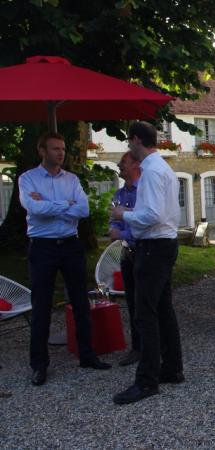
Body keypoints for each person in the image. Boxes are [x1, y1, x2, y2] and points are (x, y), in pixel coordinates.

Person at [19, 132, 112, 387]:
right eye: (54, 149)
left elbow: (83, 209)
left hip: (71, 245)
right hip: (42, 248)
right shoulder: (27, 179)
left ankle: (87, 355)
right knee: (41, 307)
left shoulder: (71, 179)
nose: (61, 153)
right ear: (41, 150)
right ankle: (39, 365)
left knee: (81, 302)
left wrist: (49, 204)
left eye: (62, 148)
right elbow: (34, 209)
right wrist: (64, 204)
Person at [111, 121, 182, 405]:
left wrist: (122, 215)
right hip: (164, 244)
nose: (128, 147)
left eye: (129, 142)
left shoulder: (152, 172)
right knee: (163, 309)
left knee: (146, 314)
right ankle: (172, 368)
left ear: (137, 140)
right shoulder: (163, 168)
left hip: (153, 246)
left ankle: (147, 380)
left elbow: (151, 214)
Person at [109, 151, 142, 366]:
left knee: (148, 302)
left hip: (145, 253)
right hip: (127, 254)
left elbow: (145, 223)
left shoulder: (145, 193)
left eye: (123, 162)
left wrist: (122, 233)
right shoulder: (119, 194)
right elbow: (114, 220)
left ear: (136, 165)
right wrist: (116, 228)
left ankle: (154, 346)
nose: (119, 165)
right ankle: (137, 348)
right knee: (131, 302)